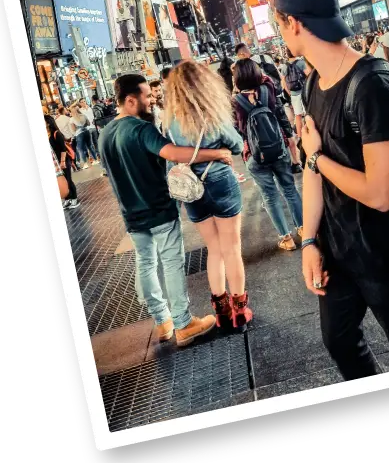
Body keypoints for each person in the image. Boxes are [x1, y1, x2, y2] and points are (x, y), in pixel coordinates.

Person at [274, 0, 389, 380]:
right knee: (340, 340)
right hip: (337, 246)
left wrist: (316, 157)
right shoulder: (314, 81)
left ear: (293, 23)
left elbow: (382, 193)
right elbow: (313, 175)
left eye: (280, 25)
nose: (281, 35)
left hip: (385, 250)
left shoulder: (374, 84)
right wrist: (309, 240)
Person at [99, 74, 232, 346]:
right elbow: (172, 153)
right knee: (171, 263)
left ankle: (162, 322)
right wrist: (215, 154)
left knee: (145, 264)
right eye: (146, 96)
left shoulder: (104, 134)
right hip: (158, 208)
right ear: (130, 100)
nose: (152, 100)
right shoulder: (139, 129)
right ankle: (183, 323)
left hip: (131, 213)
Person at [164, 61, 252, 331]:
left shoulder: (170, 122)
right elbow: (236, 145)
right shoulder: (211, 114)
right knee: (231, 248)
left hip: (191, 189)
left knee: (213, 249)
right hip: (220, 182)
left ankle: (221, 310)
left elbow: (172, 160)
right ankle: (240, 310)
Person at [233, 58, 304, 252]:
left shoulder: (235, 102)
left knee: (270, 196)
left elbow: (238, 131)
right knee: (290, 189)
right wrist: (289, 135)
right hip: (278, 148)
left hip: (254, 155)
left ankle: (286, 239)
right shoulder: (268, 90)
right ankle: (304, 229)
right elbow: (280, 113)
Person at [46, 114, 79, 209]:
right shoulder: (48, 135)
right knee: (63, 180)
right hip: (56, 162)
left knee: (68, 179)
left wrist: (63, 161)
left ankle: (74, 198)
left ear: (48, 123)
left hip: (64, 161)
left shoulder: (56, 133)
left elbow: (63, 149)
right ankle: (68, 199)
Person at [70, 101, 98, 168]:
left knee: (81, 149)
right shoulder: (83, 115)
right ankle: (95, 160)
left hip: (79, 134)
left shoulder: (72, 119)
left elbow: (73, 129)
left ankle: (85, 163)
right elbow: (88, 124)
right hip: (87, 131)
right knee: (90, 146)